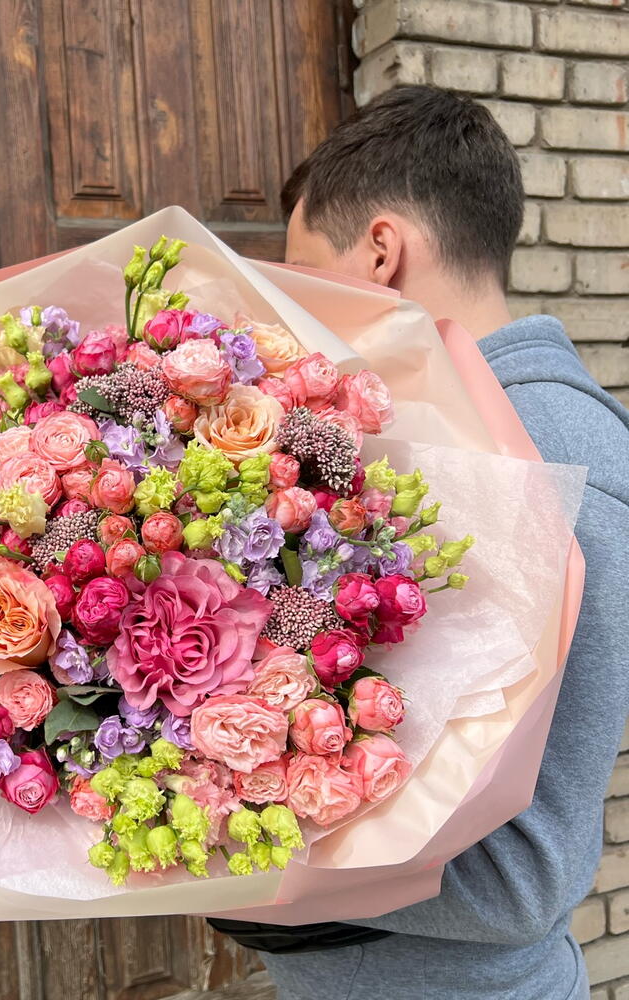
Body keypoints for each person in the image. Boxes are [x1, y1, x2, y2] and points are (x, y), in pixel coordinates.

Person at [209, 85, 629, 1000]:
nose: (292, 313)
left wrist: (229, 835)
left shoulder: (551, 457)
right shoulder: (431, 435)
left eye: (304, 274)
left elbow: (524, 878)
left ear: (381, 252)